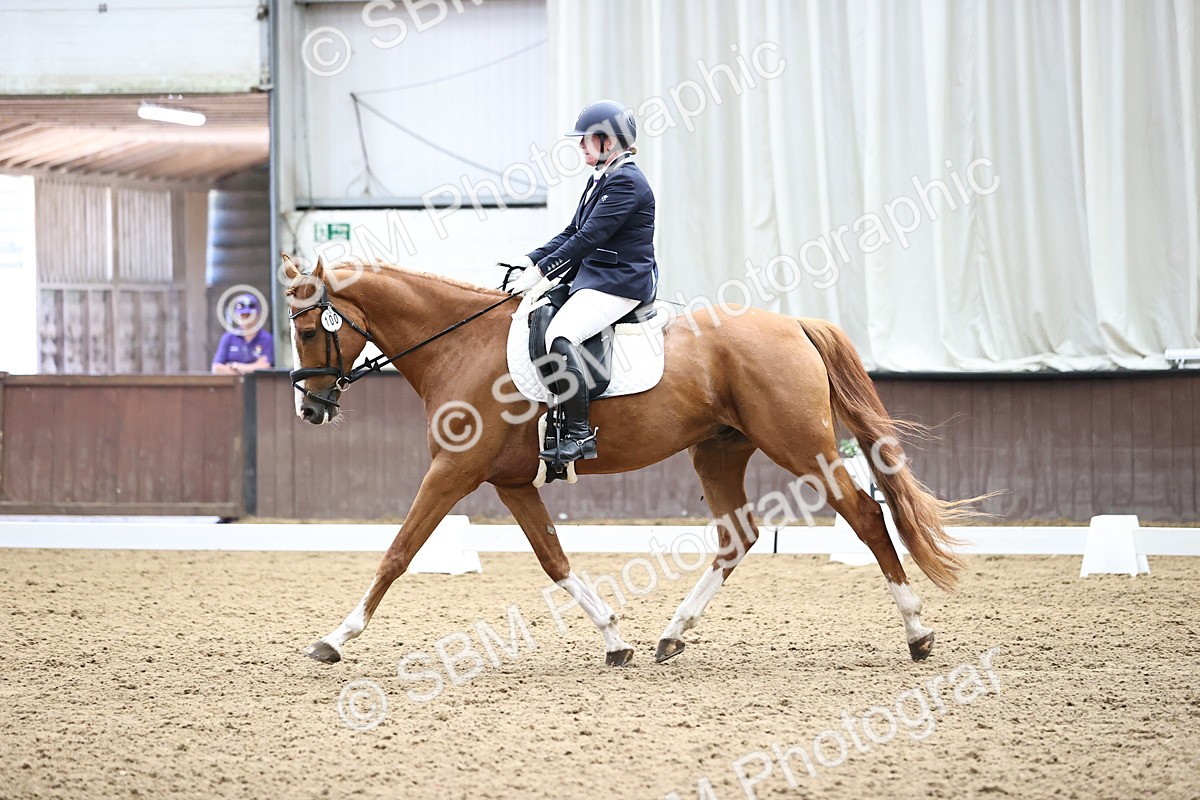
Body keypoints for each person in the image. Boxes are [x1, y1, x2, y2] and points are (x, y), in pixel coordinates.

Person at [503, 99, 658, 467]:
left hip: (620, 283)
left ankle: (579, 432)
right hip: (594, 278)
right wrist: (530, 259)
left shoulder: (626, 182)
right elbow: (572, 231)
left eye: (587, 138)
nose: (580, 145)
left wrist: (541, 273)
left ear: (609, 141)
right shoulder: (601, 178)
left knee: (561, 335)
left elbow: (588, 238)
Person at [211, 292, 274, 375]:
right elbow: (216, 368)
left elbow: (265, 366)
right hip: (233, 386)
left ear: (257, 315)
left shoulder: (267, 339)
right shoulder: (228, 338)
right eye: (242, 315)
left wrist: (236, 366)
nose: (246, 319)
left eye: (248, 315)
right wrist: (253, 367)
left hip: (258, 386)